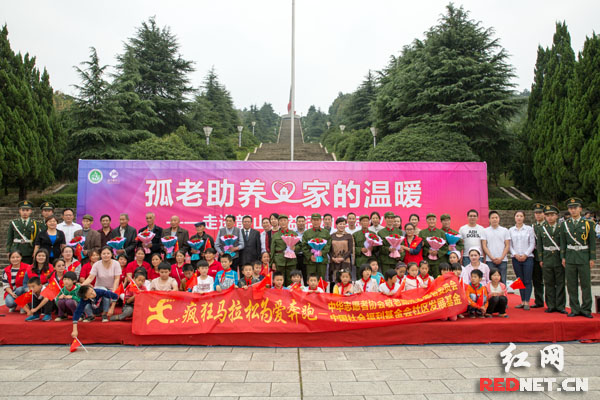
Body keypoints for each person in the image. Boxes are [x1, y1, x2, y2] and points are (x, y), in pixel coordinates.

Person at [560, 197, 596, 318]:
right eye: (570, 208)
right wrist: (563, 257)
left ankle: (586, 309)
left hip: (583, 256)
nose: (573, 210)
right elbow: (563, 242)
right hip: (570, 257)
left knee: (586, 284)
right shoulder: (565, 224)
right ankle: (574, 308)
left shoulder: (588, 224)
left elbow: (592, 242)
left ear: (580, 209)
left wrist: (592, 258)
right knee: (571, 285)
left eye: (575, 208)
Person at [536, 205, 567, 314]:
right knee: (549, 283)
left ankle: (560, 306)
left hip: (558, 258)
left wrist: (563, 257)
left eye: (552, 215)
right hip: (547, 258)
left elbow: (563, 244)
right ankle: (550, 305)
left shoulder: (561, 227)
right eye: (548, 215)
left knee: (560, 283)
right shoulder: (541, 228)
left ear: (557, 216)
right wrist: (541, 259)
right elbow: (539, 245)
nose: (550, 217)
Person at [509, 211, 536, 310]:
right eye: (517, 216)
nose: (519, 218)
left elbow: (532, 243)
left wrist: (525, 254)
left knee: (527, 280)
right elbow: (509, 245)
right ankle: (522, 301)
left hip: (528, 257)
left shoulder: (529, 229)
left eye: (521, 216)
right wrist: (515, 254)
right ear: (514, 217)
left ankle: (527, 301)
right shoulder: (511, 230)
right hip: (515, 258)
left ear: (524, 217)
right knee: (519, 280)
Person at [481, 210, 511, 284]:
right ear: (489, 219)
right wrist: (492, 257)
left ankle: (503, 292)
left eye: (496, 217)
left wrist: (501, 258)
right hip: (490, 260)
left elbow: (507, 245)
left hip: (503, 260)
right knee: (491, 280)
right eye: (492, 218)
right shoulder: (485, 231)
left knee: (502, 280)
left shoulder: (505, 230)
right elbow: (484, 246)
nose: (494, 219)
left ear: (499, 218)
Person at [270, 215, 299, 285]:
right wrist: (272, 262)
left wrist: (295, 248)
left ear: (288, 222)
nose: (283, 222)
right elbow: (272, 249)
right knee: (280, 280)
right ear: (278, 222)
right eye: (281, 221)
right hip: (279, 260)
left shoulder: (293, 233)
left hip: (291, 261)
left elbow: (300, 245)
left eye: (284, 220)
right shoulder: (276, 235)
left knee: (291, 280)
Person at [301, 213, 331, 280]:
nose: (316, 222)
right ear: (311, 221)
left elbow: (328, 245)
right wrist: (310, 256)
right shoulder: (307, 233)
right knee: (311, 279)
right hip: (310, 261)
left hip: (322, 260)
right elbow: (304, 246)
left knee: (321, 279)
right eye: (314, 220)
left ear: (320, 221)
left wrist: (322, 252)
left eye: (317, 220)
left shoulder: (325, 232)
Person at [329, 217, 353, 286]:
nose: (342, 226)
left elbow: (350, 250)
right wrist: (333, 258)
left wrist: (343, 258)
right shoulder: (332, 236)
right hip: (334, 261)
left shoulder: (348, 236)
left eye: (343, 224)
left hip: (345, 261)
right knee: (335, 280)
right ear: (336, 225)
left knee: (345, 279)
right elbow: (329, 249)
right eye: (340, 224)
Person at [531, 203, 546, 309]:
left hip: (547, 255)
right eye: (536, 213)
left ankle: (551, 302)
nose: (538, 215)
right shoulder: (533, 227)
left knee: (549, 281)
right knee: (537, 280)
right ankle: (539, 301)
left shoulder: (547, 225)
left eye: (540, 213)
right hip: (536, 256)